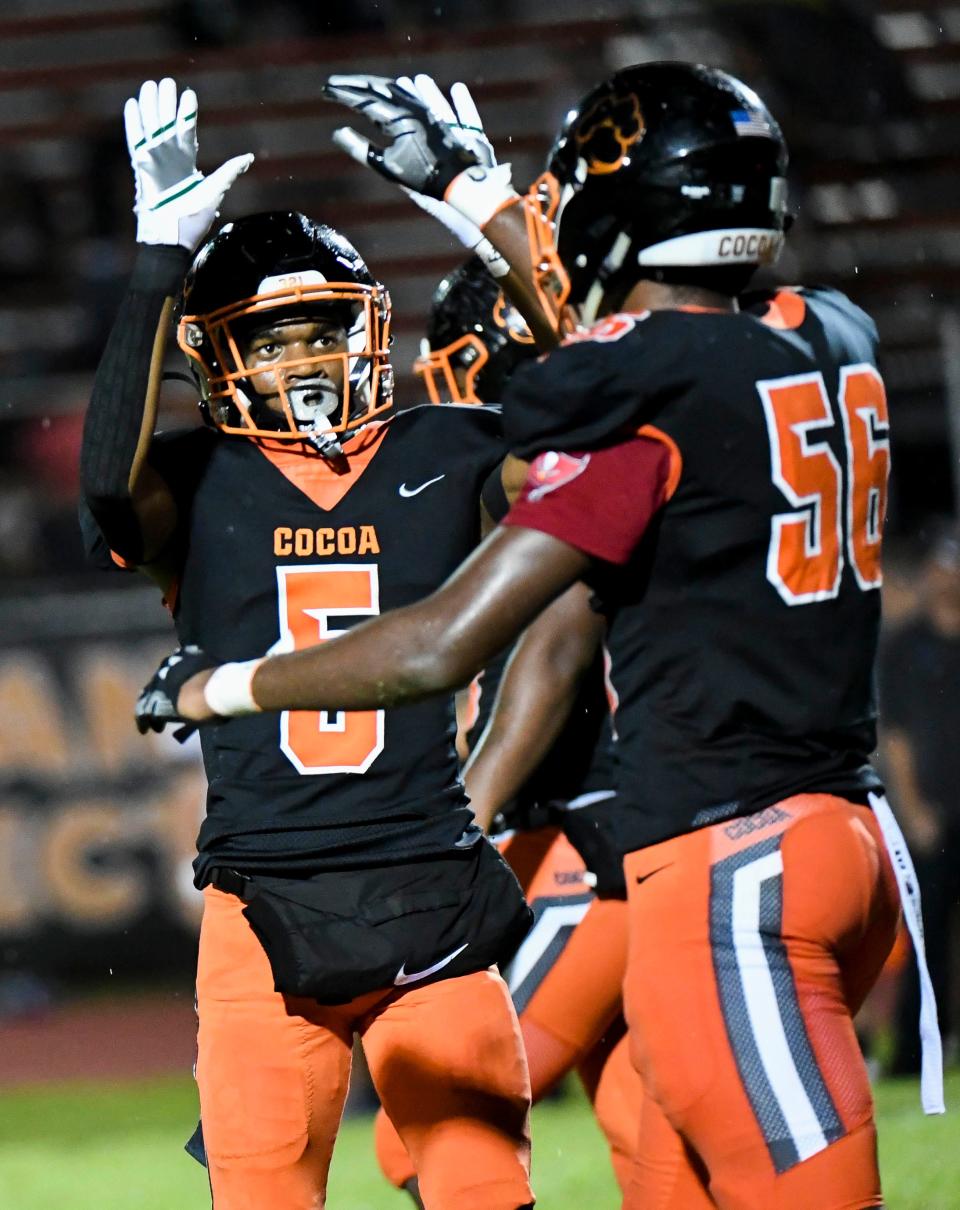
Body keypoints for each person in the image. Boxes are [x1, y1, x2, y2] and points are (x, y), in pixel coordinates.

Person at [137, 62, 944, 1208]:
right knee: (654, 1148)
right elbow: (669, 368)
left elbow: (449, 639)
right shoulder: (839, 331)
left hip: (720, 856)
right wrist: (487, 202)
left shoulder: (627, 396)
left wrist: (221, 687)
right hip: (851, 829)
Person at [81, 78, 536, 1210]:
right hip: (260, 915)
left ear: (369, 327)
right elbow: (103, 481)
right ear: (217, 358)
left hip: (429, 887)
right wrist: (155, 259)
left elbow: (619, 417)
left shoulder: (458, 447)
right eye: (273, 341)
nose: (307, 361)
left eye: (326, 328)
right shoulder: (194, 480)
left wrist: (488, 209)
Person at [373, 258, 640, 1204]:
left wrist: (462, 817)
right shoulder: (625, 457)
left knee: (425, 1130)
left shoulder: (560, 475)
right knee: (651, 1127)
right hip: (608, 818)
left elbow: (553, 656)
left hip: (591, 823)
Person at [881, 524, 960, 1074]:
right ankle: (915, 1051)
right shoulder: (906, 645)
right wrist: (912, 811)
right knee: (927, 935)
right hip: (933, 814)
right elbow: (898, 738)